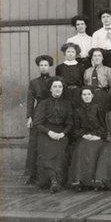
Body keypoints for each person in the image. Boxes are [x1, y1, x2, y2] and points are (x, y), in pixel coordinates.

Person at [33, 76, 73, 193]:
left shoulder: (67, 103)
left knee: (60, 154)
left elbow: (70, 124)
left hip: (61, 133)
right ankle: (52, 179)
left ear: (62, 89)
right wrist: (49, 133)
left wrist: (62, 134)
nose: (57, 89)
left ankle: (56, 180)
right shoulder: (44, 103)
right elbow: (37, 123)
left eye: (60, 87)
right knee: (47, 152)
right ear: (50, 89)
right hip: (46, 133)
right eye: (54, 87)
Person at [68, 87, 106, 191]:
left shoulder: (98, 108)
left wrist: (97, 136)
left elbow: (104, 126)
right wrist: (84, 135)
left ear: (92, 95)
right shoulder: (77, 110)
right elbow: (76, 128)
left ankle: (93, 181)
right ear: (81, 96)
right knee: (81, 149)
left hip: (97, 136)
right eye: (84, 94)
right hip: (84, 136)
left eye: (89, 94)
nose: (87, 96)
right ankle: (79, 180)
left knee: (94, 150)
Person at [25, 55, 53, 184]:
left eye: (46, 65)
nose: (43, 67)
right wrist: (29, 116)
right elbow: (30, 101)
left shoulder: (55, 80)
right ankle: (32, 174)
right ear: (39, 67)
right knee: (35, 142)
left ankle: (49, 174)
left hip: (52, 112)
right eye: (41, 65)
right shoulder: (34, 82)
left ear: (49, 66)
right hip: (38, 113)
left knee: (48, 142)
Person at [55, 43, 86, 108]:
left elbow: (83, 82)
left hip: (78, 93)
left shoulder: (81, 67)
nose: (70, 54)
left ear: (76, 53)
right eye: (68, 51)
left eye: (73, 52)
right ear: (64, 53)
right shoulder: (59, 67)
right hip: (64, 93)